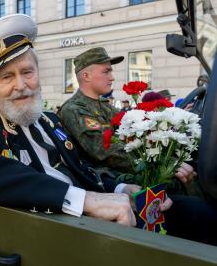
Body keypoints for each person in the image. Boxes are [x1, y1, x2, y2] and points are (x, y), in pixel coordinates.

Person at [0, 14, 159, 227]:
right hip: (52, 231)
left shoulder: (49, 119)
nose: (21, 85)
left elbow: (80, 168)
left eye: (27, 72)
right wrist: (82, 201)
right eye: (6, 77)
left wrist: (119, 188)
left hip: (100, 216)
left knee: (185, 211)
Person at [57, 47, 217, 244]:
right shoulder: (75, 110)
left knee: (193, 183)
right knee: (194, 205)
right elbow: (104, 152)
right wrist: (161, 162)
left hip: (129, 173)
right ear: (86, 75)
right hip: (109, 181)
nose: (112, 77)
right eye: (106, 71)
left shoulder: (105, 106)